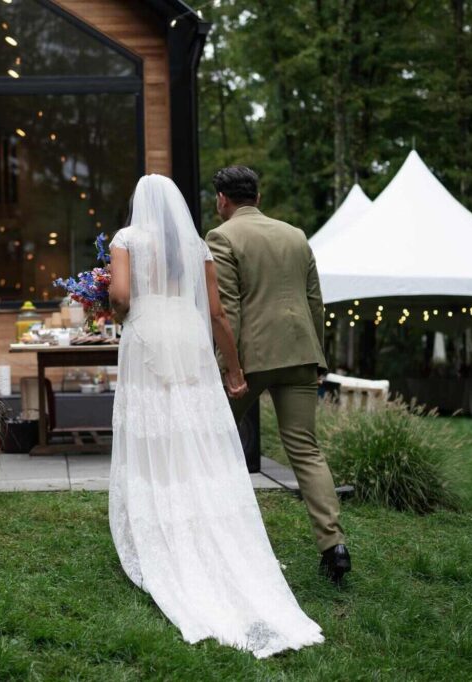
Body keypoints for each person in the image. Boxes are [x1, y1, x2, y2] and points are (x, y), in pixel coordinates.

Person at [107, 174, 324, 659]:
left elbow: (121, 296)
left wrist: (116, 311)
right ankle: (207, 517)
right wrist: (234, 369)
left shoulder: (126, 240)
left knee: (153, 430)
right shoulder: (195, 244)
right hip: (187, 337)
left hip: (147, 337)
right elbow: (218, 312)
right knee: (194, 428)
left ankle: (159, 519)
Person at [206, 165, 351, 583]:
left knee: (215, 440)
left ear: (222, 200)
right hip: (301, 351)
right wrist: (316, 356)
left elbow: (226, 309)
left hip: (249, 361)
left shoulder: (222, 237)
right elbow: (315, 303)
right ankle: (334, 545)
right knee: (306, 450)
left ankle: (216, 535)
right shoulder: (295, 235)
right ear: (258, 195)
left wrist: (229, 368)